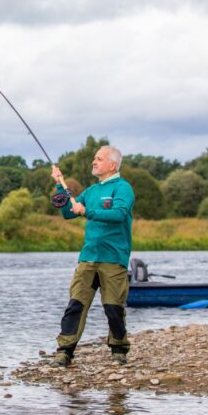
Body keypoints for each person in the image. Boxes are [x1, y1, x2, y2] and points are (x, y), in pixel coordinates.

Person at [49, 146, 135, 367]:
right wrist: (59, 184)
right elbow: (68, 212)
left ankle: (118, 349)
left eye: (99, 159)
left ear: (112, 165)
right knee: (76, 304)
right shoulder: (91, 191)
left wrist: (87, 211)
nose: (93, 162)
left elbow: (118, 214)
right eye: (94, 158)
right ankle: (65, 351)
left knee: (113, 307)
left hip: (114, 258)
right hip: (88, 257)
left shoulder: (123, 188)